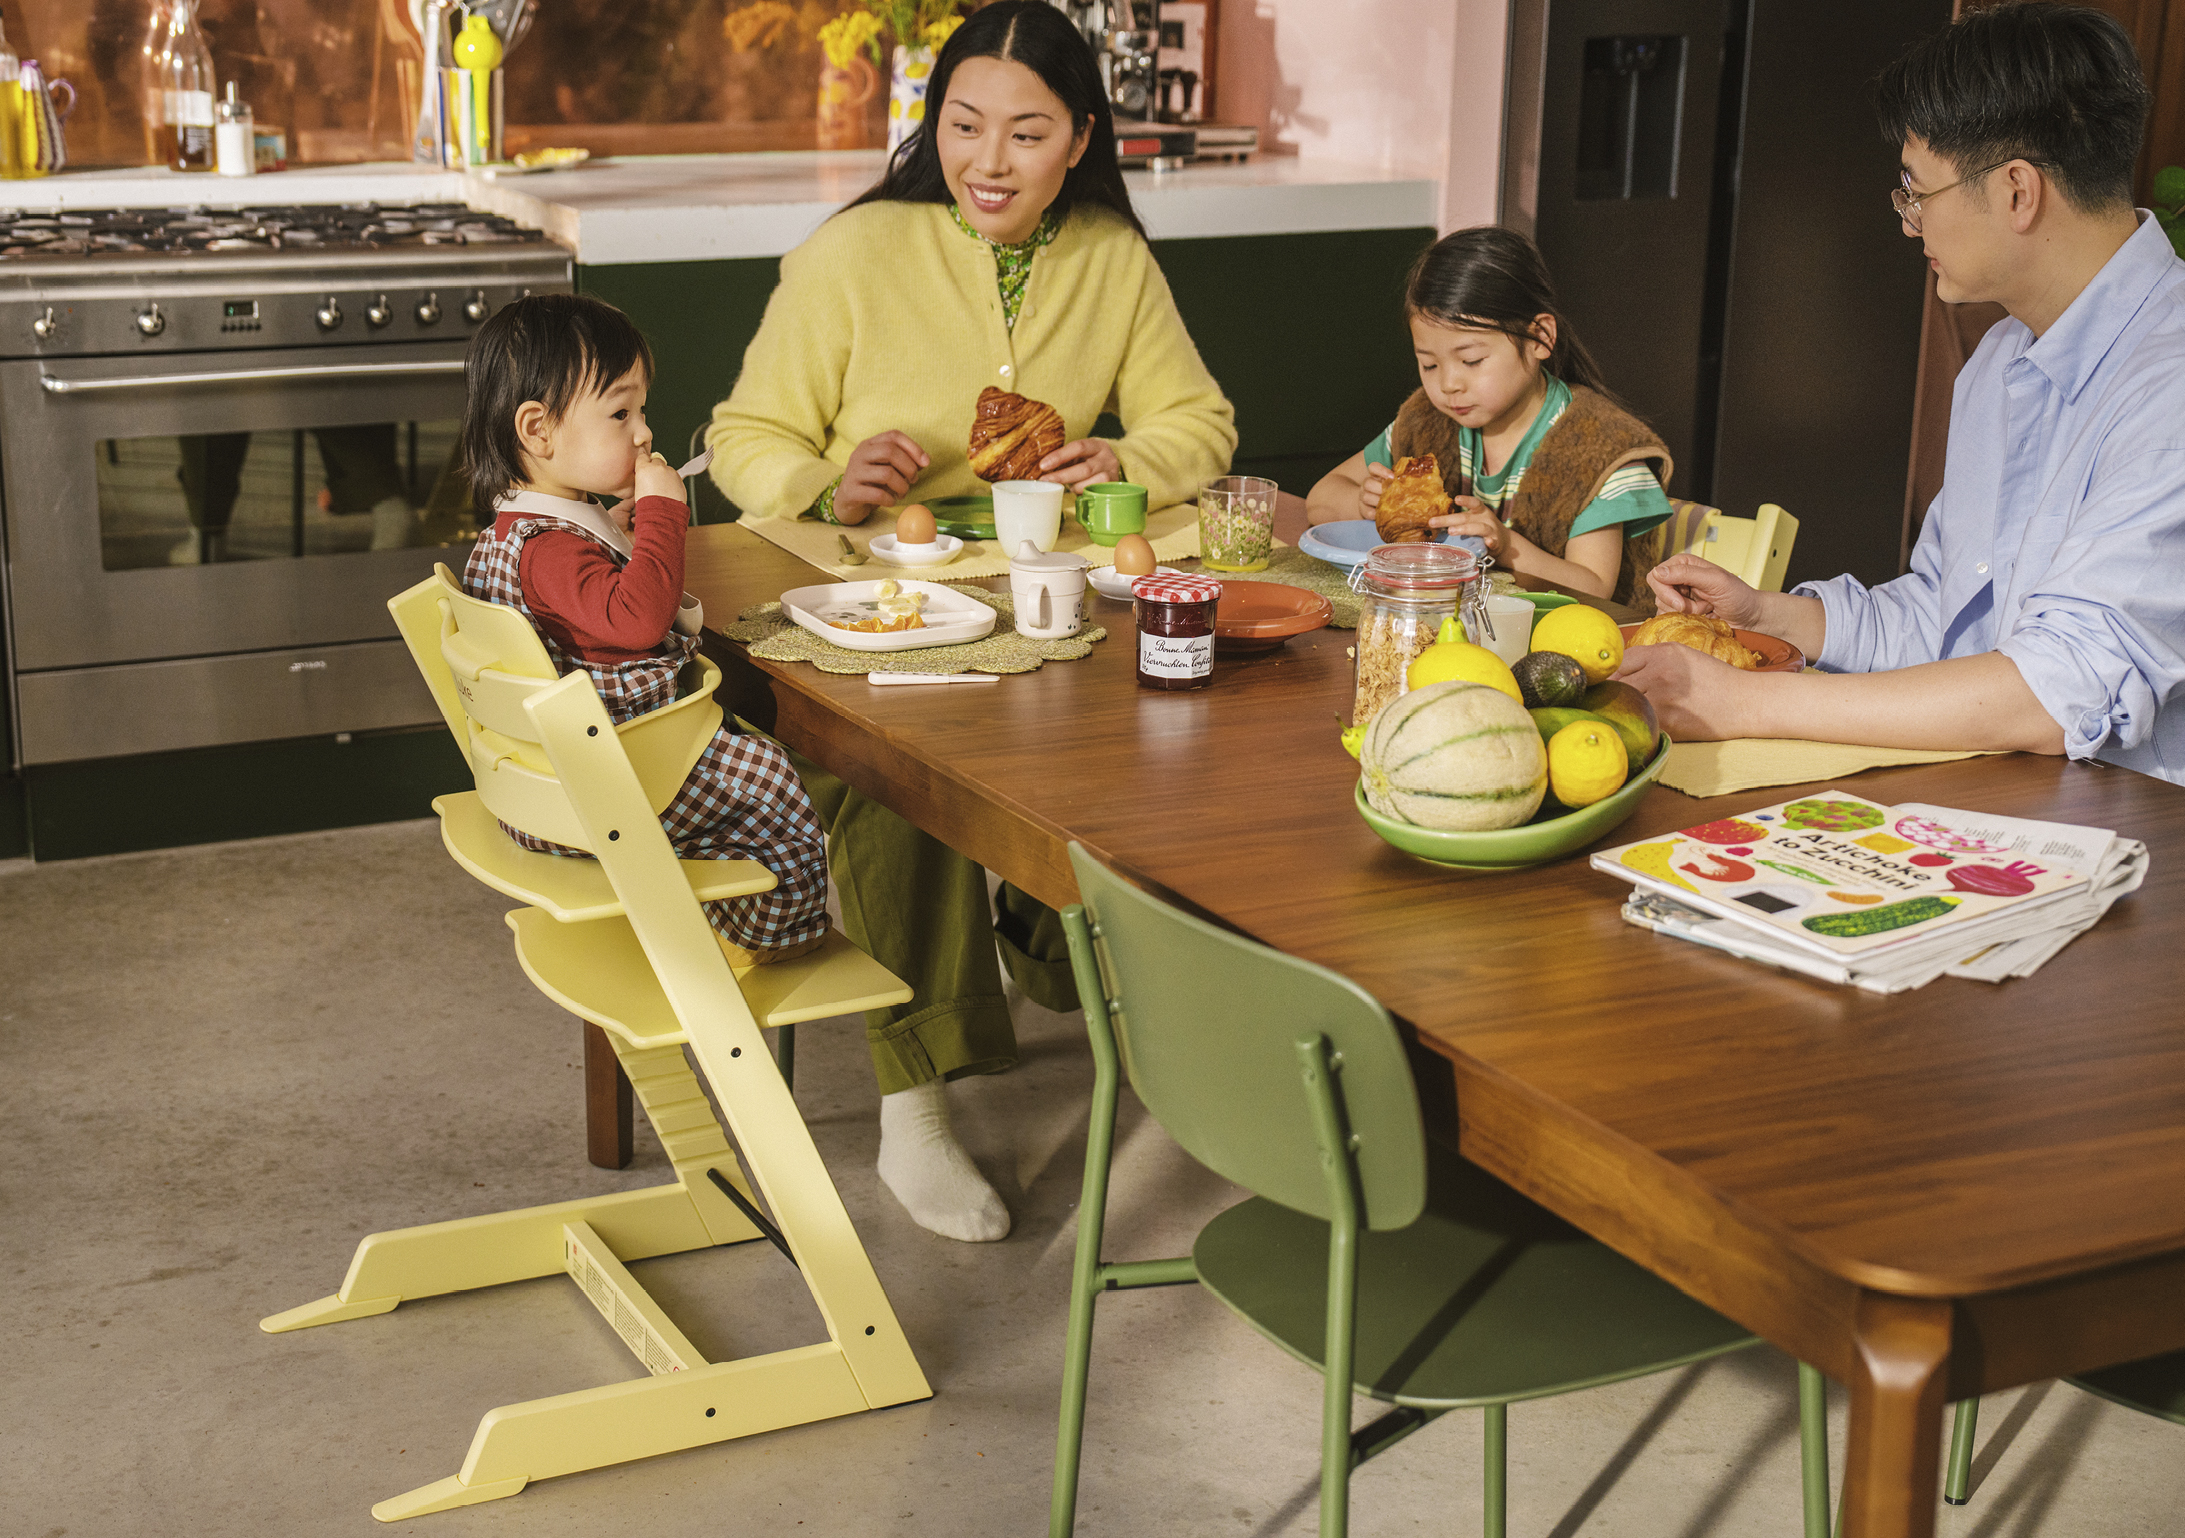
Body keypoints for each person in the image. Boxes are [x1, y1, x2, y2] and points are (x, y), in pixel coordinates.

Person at [708, 0, 1235, 1241]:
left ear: (1079, 140)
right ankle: (916, 1107)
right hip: (865, 613)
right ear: (930, 126)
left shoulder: (1111, 255)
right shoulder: (853, 255)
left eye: (1026, 132)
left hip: (1048, 610)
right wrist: (826, 486)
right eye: (963, 125)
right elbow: (743, 434)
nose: (988, 160)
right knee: (910, 784)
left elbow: (1201, 425)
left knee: (1181, 730)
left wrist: (1121, 457)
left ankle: (1094, 980)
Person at [1620, 1, 2185, 783]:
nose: (1908, 224)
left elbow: (2059, 691)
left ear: (2017, 192)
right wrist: (1764, 616)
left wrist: (1742, 703)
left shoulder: (2170, 383)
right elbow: (1943, 618)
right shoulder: (1999, 360)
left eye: (1917, 193)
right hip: (1991, 802)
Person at [460, 293, 831, 960]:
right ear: (538, 431)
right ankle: (777, 936)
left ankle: (730, 912)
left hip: (551, 782)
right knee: (766, 775)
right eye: (620, 412)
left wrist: (622, 537)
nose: (643, 433)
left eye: (642, 410)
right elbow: (637, 623)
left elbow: (596, 610)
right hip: (609, 786)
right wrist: (663, 515)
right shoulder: (551, 547)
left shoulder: (524, 529)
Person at [1305, 226, 1675, 608]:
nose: (1449, 384)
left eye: (1471, 361)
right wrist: (1364, 505)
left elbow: (1594, 586)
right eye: (1429, 364)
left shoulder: (1600, 448)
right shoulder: (1427, 421)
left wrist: (1504, 544)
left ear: (1540, 338)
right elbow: (1320, 499)